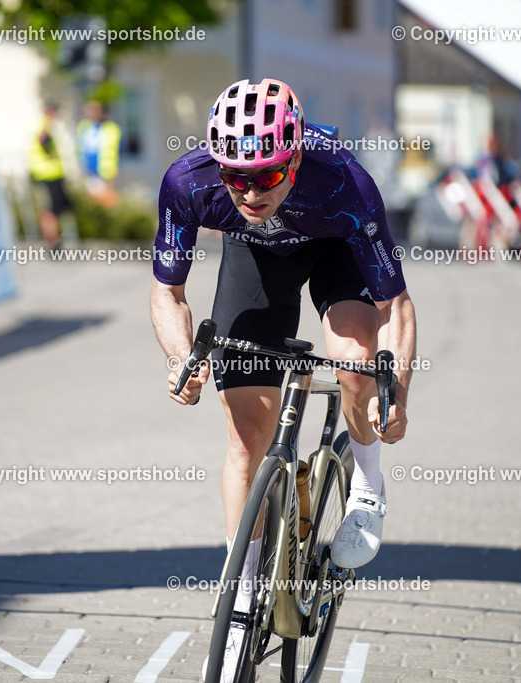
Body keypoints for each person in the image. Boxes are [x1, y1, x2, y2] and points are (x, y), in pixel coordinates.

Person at [149, 78, 417, 677]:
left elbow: (396, 307)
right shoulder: (189, 182)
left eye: (266, 175)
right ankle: (241, 587)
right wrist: (179, 358)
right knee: (248, 432)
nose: (248, 192)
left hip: (331, 248)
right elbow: (168, 293)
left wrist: (393, 392)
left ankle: (368, 485)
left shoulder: (344, 181)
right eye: (234, 176)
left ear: (294, 156)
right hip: (257, 257)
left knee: (351, 360)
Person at [27, 102, 72, 252]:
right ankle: (52, 241)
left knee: (59, 207)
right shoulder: (44, 123)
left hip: (52, 173)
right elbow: (42, 138)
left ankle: (53, 238)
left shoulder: (44, 124)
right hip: (46, 174)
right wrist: (47, 149)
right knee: (50, 209)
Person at [77, 100, 122, 207]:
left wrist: (116, 172)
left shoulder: (111, 128)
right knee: (91, 205)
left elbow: (119, 151)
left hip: (106, 174)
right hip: (89, 173)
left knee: (108, 204)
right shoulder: (84, 127)